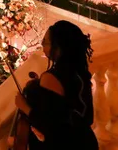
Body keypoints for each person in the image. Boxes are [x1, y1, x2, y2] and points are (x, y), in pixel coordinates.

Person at [14, 21, 99, 150]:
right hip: (85, 141)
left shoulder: (51, 77)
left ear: (59, 47)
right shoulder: (79, 71)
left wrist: (24, 106)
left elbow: (51, 126)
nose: (42, 44)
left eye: (46, 42)